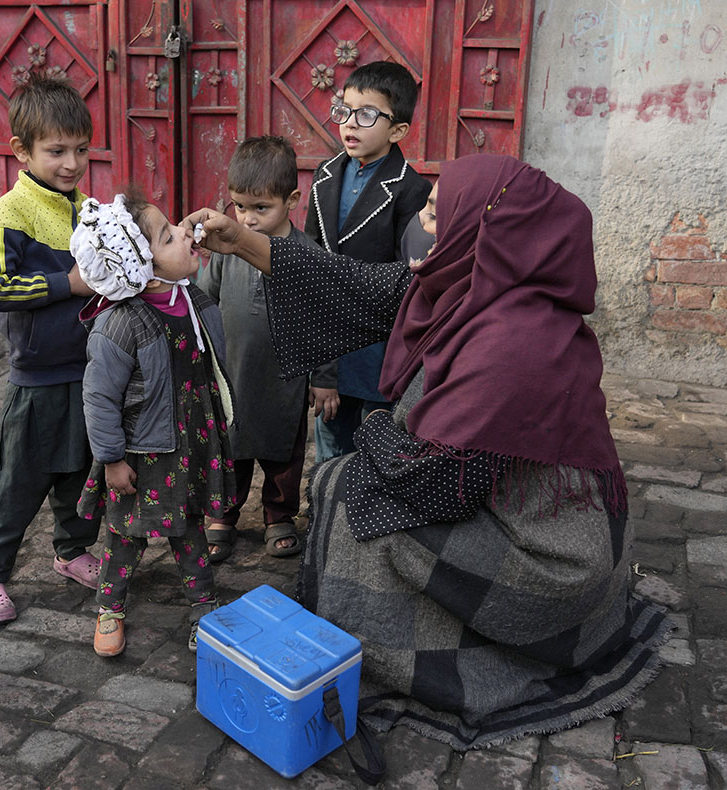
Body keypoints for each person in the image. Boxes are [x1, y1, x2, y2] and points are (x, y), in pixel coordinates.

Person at [186, 154, 672, 750]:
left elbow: (432, 485)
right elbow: (352, 283)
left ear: (485, 226)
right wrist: (239, 240)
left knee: (350, 494)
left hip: (544, 551)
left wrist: (375, 430)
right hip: (483, 492)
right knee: (348, 482)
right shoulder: (475, 286)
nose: (421, 220)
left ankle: (391, 647)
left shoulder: (514, 340)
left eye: (438, 213)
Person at [72, 192, 233, 657]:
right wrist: (111, 460)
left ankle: (204, 606)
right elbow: (98, 399)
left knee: (190, 529)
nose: (184, 232)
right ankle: (109, 606)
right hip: (142, 452)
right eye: (168, 236)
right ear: (142, 266)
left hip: (190, 441)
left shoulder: (193, 300)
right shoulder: (119, 325)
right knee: (125, 534)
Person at [0, 74, 102, 626]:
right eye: (56, 151)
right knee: (17, 481)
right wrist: (66, 285)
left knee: (83, 471)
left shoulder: (89, 210)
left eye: (79, 150)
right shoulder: (8, 216)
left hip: (91, 372)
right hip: (37, 379)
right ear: (21, 151)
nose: (70, 163)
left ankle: (71, 552)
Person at [304, 61, 431, 462]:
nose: (350, 124)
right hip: (327, 337)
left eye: (367, 114)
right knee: (330, 437)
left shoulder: (411, 189)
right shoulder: (325, 174)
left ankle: (367, 517)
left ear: (398, 131)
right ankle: (326, 511)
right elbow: (310, 255)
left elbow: (408, 280)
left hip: (378, 343)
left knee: (378, 440)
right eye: (344, 109)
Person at [197, 136, 315, 562]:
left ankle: (278, 515)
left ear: (292, 200)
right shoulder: (229, 249)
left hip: (285, 379)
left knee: (284, 450)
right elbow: (204, 299)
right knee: (230, 448)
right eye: (240, 207)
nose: (247, 219)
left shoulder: (307, 255)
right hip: (233, 375)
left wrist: (325, 381)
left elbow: (325, 321)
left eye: (260, 208)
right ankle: (222, 516)